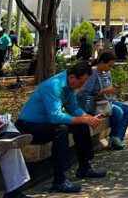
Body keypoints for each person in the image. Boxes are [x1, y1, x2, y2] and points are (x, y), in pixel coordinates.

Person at [16, 62, 105, 193]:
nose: (83, 85)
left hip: (46, 124)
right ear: (72, 77)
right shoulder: (54, 85)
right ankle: (59, 180)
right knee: (61, 130)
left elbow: (73, 108)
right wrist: (83, 118)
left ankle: (84, 167)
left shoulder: (69, 88)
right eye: (81, 82)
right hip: (28, 126)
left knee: (82, 125)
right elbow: (55, 117)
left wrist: (88, 117)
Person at [77, 51, 128, 151]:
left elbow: (108, 88)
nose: (110, 68)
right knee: (118, 111)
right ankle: (114, 137)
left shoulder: (107, 73)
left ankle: (118, 138)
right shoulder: (93, 73)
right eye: (109, 65)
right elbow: (87, 93)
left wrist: (113, 89)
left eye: (111, 66)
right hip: (97, 104)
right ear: (102, 62)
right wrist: (105, 91)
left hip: (107, 100)